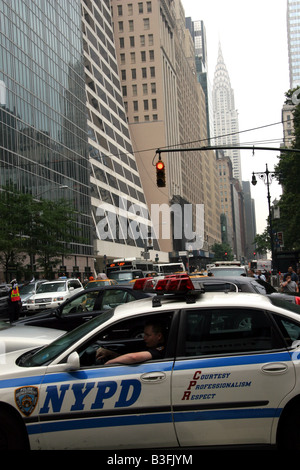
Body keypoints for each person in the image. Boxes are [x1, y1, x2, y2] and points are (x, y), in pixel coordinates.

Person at [96, 320, 166, 365]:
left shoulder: (161, 350)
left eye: (147, 335)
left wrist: (109, 363)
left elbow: (133, 357)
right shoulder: (151, 345)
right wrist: (110, 353)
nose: (144, 338)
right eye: (144, 334)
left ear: (159, 336)